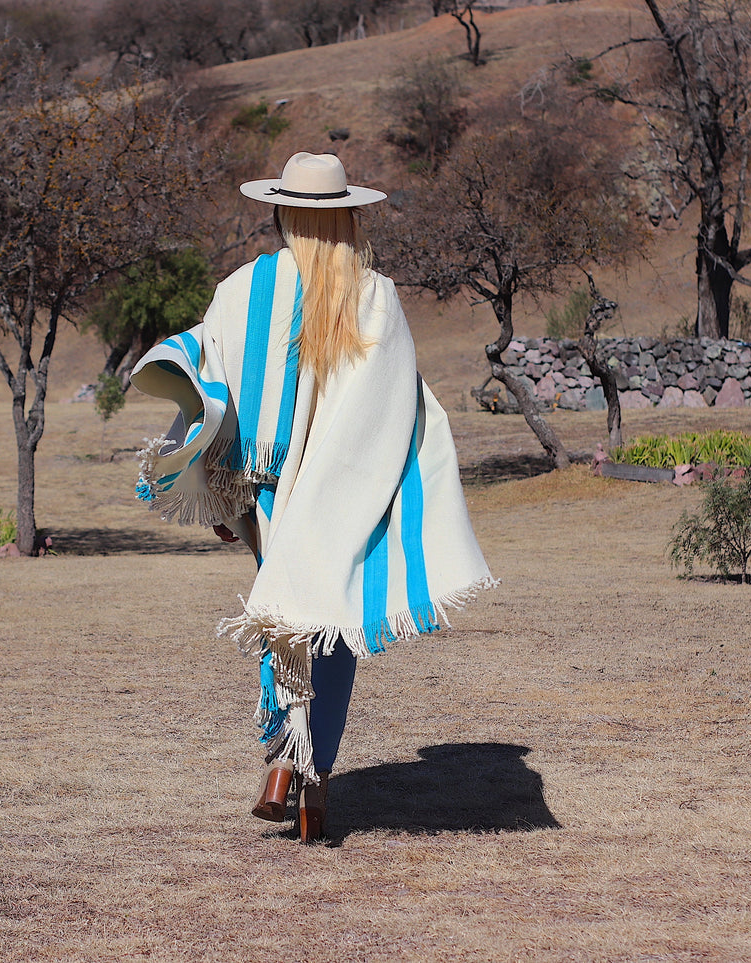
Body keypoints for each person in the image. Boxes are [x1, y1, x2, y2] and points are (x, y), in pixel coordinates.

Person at [130, 152, 494, 843]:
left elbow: (217, 390)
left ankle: (283, 766)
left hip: (267, 494)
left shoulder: (242, 289)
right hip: (341, 488)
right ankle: (312, 782)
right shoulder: (372, 293)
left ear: (277, 211)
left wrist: (220, 492)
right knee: (324, 625)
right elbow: (392, 402)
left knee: (284, 612)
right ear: (349, 214)